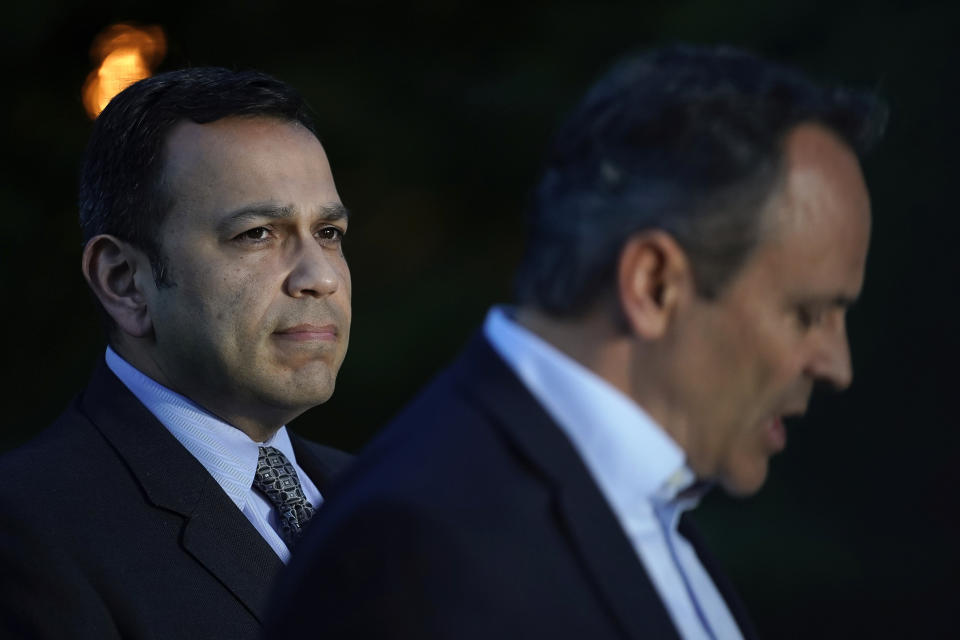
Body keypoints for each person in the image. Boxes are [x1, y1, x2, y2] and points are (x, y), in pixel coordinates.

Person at [266, 44, 887, 639]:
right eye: (807, 313)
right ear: (653, 284)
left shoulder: (649, 503)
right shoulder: (412, 550)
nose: (838, 365)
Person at [0, 67, 354, 639]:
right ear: (123, 281)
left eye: (330, 233)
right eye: (257, 233)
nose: (320, 277)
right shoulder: (27, 531)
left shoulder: (377, 492)